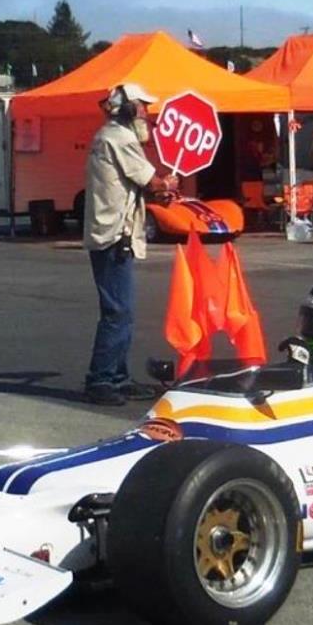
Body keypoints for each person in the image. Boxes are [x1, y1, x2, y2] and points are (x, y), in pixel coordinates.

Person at [82, 82, 178, 406]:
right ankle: (100, 380)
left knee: (122, 312)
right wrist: (167, 184)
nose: (147, 113)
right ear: (129, 107)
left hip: (110, 233)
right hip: (113, 236)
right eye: (143, 106)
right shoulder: (119, 138)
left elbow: (135, 187)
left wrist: (159, 191)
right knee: (118, 312)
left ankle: (117, 378)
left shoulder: (109, 135)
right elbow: (152, 181)